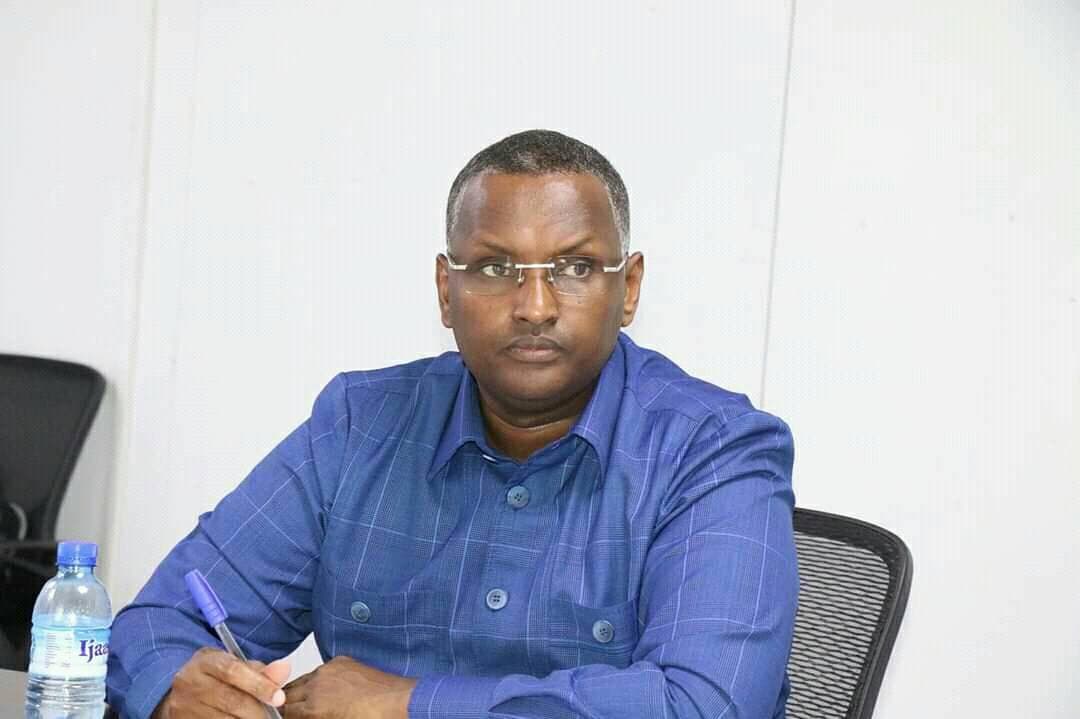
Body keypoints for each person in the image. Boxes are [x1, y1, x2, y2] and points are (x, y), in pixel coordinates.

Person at [106, 130, 798, 719]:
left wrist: (408, 704)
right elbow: (158, 625)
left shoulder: (716, 450)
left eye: (574, 267)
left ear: (629, 289)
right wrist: (177, 686)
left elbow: (706, 706)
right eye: (495, 267)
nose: (535, 306)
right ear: (447, 290)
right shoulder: (359, 426)